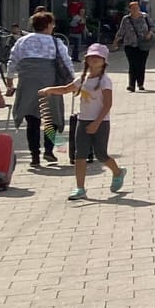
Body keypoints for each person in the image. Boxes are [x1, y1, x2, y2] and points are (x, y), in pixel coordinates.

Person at [39, 44, 124, 201]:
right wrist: (49, 90)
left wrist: (97, 123)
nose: (93, 59)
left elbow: (107, 104)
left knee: (101, 154)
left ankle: (118, 172)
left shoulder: (105, 80)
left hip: (101, 122)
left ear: (104, 61)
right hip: (82, 121)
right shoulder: (82, 78)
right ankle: (80, 187)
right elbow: (66, 89)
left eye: (97, 57)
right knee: (80, 155)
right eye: (91, 56)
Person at [5, 11, 72, 167]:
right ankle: (49, 150)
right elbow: (67, 62)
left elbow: (12, 60)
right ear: (48, 25)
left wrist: (9, 81)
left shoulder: (22, 41)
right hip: (50, 82)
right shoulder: (56, 42)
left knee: (32, 119)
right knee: (51, 117)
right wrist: (73, 83)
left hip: (27, 83)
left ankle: (34, 155)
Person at [112, 0, 155, 92]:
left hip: (143, 44)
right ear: (130, 9)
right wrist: (116, 41)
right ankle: (131, 85)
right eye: (133, 8)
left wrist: (149, 33)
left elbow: (153, 26)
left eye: (137, 8)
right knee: (132, 64)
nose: (135, 10)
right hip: (130, 44)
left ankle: (140, 84)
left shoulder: (145, 17)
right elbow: (121, 31)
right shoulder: (126, 19)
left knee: (141, 64)